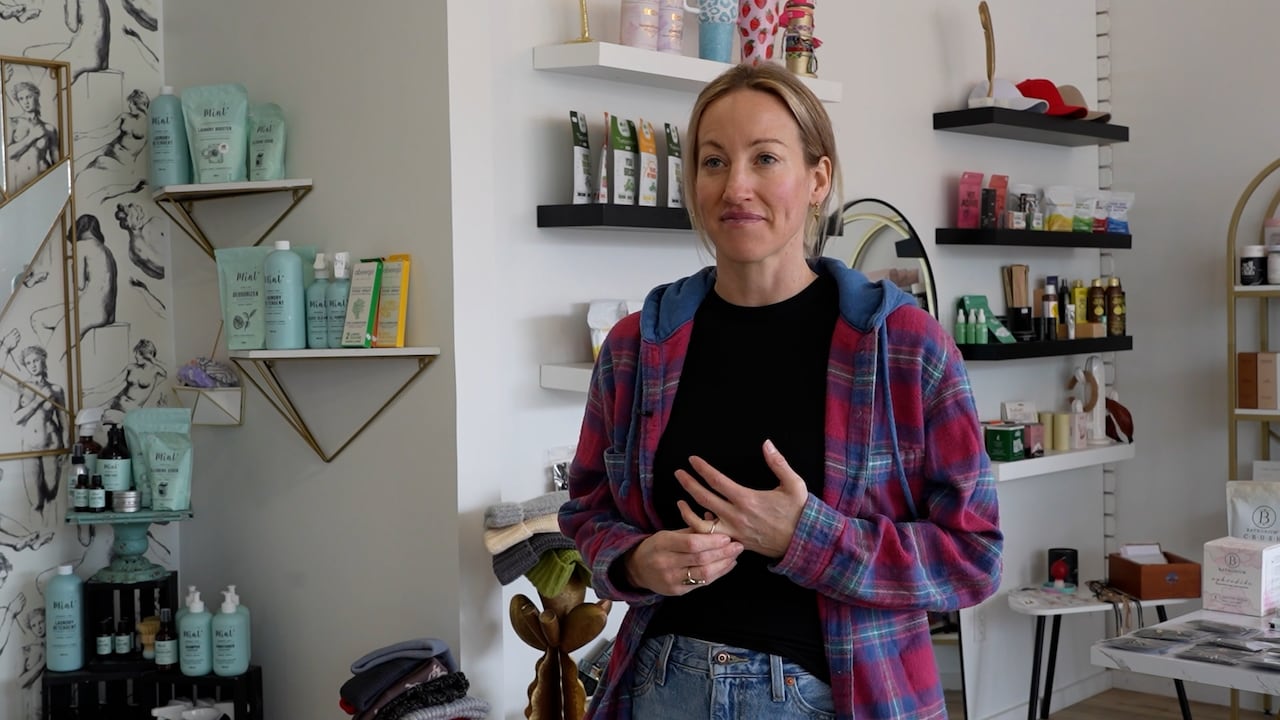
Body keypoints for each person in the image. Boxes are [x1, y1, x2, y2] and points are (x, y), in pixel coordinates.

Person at [559, 63, 1002, 720]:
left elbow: (973, 557)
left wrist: (808, 538)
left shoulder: (905, 347)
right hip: (659, 688)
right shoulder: (635, 348)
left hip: (838, 697)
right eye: (714, 161)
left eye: (765, 158)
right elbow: (586, 516)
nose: (736, 186)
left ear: (818, 178)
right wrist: (636, 561)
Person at [1, 335, 67, 524]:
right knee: (34, 498)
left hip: (52, 444)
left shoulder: (56, 389)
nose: (33, 365)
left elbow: (63, 422)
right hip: (29, 446)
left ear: (43, 361)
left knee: (52, 494)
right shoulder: (21, 387)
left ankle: (52, 531)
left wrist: (67, 446)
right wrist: (38, 401)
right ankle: (39, 534)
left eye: (36, 360)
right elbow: (15, 418)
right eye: (28, 362)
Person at [84, 338, 166, 412]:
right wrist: (90, 391)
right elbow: (113, 383)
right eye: (136, 353)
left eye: (140, 354)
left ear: (149, 355)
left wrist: (153, 360)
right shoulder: (131, 367)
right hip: (115, 401)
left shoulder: (156, 371)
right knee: (90, 414)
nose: (136, 356)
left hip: (132, 410)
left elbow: (170, 370)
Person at [6, 80, 59, 190]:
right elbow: (6, 155)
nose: (25, 102)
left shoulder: (49, 128)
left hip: (44, 180)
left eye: (28, 97)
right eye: (21, 99)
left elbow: (57, 162)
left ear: (36, 96)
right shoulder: (12, 123)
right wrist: (32, 137)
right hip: (21, 184)